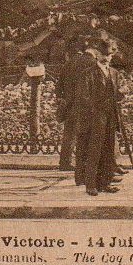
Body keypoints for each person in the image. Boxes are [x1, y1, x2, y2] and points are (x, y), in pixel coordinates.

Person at [72, 35, 123, 196]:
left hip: (110, 117)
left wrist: (121, 94)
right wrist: (97, 110)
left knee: (108, 150)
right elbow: (83, 97)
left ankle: (105, 182)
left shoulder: (114, 73)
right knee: (94, 150)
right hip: (95, 118)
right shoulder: (88, 74)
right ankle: (91, 184)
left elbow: (116, 95)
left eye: (110, 55)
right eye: (104, 55)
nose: (107, 58)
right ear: (97, 55)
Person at [55, 39, 87, 172]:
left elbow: (59, 86)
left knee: (69, 134)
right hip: (83, 103)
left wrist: (62, 99)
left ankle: (64, 162)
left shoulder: (67, 65)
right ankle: (82, 162)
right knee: (84, 133)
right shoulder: (86, 63)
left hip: (69, 104)